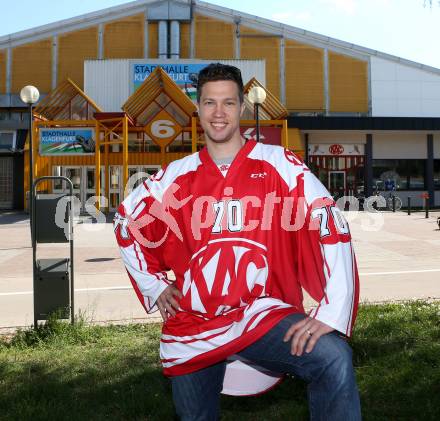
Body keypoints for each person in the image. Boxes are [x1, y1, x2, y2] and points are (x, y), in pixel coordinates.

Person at [114, 63, 361, 420]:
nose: (219, 113)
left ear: (241, 108)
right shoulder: (174, 176)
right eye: (210, 103)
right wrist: (153, 286)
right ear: (197, 109)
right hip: (195, 323)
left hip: (262, 314)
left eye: (228, 103)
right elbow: (126, 222)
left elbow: (329, 221)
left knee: (332, 357)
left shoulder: (280, 164)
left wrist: (333, 310)